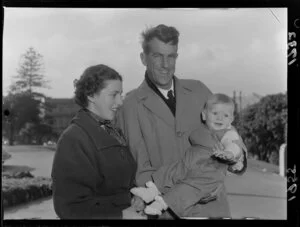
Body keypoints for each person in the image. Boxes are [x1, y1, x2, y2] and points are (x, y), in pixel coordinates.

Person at [116, 24, 247, 218]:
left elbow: (229, 134)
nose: (165, 65)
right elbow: (140, 170)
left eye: (171, 56)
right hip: (167, 212)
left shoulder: (199, 90)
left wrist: (236, 159)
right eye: (157, 56)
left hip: (215, 209)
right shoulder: (130, 105)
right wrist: (185, 192)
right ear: (143, 58)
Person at [51, 64, 146, 219]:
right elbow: (69, 208)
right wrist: (120, 215)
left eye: (120, 94)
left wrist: (134, 196)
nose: (120, 102)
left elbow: (116, 184)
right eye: (113, 94)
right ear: (91, 95)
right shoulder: (73, 139)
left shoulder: (112, 131)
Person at [130, 93, 247, 217]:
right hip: (190, 161)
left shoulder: (228, 132)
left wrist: (229, 154)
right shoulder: (204, 128)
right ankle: (152, 191)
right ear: (204, 115)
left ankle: (163, 203)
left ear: (231, 119)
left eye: (226, 115)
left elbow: (233, 145)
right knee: (171, 171)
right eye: (215, 114)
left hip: (210, 169)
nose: (220, 118)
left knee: (190, 187)